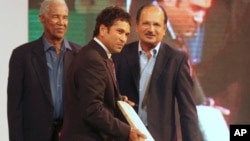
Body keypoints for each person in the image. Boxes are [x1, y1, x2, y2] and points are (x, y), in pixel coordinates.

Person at [112, 4, 201, 141]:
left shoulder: (177, 60)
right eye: (146, 24)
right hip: (126, 136)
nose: (151, 29)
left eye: (156, 25)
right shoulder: (120, 55)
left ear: (164, 29)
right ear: (136, 26)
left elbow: (187, 110)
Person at [60, 6, 146, 141]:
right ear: (103, 30)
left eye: (126, 34)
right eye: (119, 32)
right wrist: (127, 132)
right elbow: (92, 109)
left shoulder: (99, 56)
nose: (123, 39)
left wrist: (119, 100)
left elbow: (94, 97)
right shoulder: (93, 59)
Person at [7, 0, 81, 141]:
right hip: (34, 135)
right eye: (55, 17)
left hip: (69, 135)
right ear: (42, 18)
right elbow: (14, 107)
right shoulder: (22, 55)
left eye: (65, 17)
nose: (61, 22)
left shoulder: (79, 54)